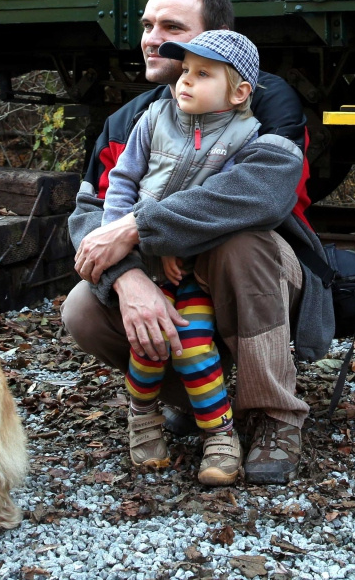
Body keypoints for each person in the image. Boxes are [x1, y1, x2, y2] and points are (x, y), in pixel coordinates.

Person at [63, 0, 333, 485]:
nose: (152, 38)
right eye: (148, 25)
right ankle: (192, 401)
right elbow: (89, 213)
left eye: (171, 27)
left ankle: (275, 416)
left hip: (263, 277)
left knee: (241, 245)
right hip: (165, 275)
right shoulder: (132, 120)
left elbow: (261, 195)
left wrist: (142, 227)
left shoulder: (262, 103)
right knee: (81, 306)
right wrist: (128, 279)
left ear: (216, 37)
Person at [103, 29, 263, 486]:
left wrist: (183, 245)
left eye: (203, 74)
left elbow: (224, 209)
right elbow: (122, 183)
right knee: (148, 344)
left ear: (238, 93)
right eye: (185, 70)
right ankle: (142, 415)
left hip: (195, 270)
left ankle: (219, 433)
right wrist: (125, 244)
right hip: (143, 261)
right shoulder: (153, 120)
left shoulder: (245, 139)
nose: (185, 81)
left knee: (190, 344)